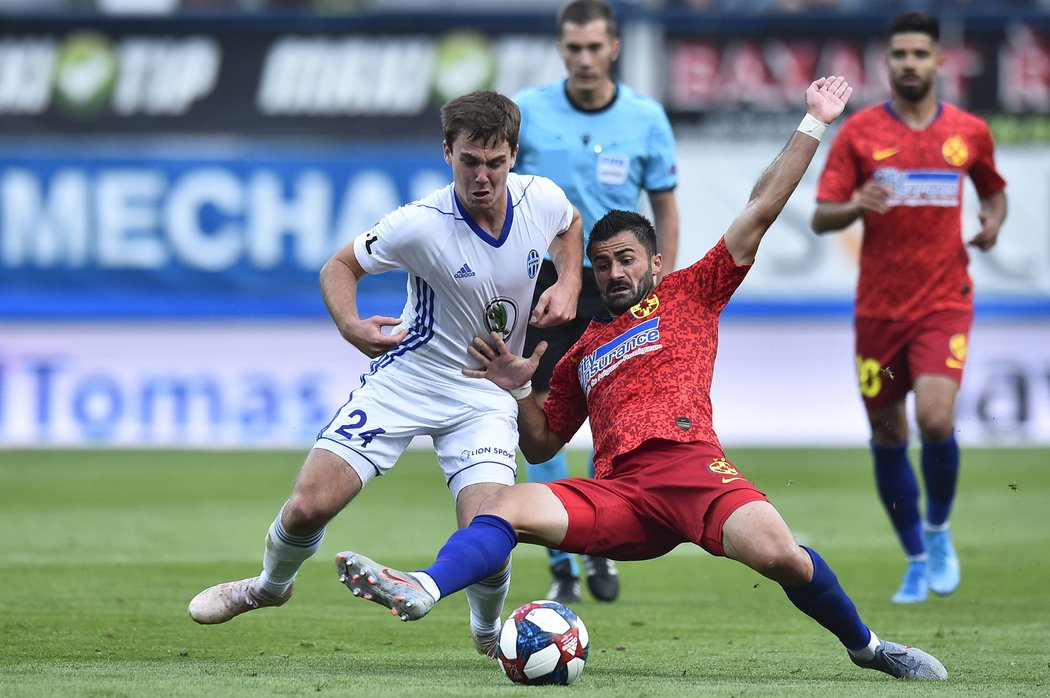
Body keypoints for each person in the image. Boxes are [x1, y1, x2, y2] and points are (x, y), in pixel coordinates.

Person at [333, 77, 947, 681]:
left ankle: (868, 648)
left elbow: (761, 209)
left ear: (655, 262)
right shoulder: (583, 350)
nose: (613, 273)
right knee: (498, 507)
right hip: (620, 494)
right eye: (600, 265)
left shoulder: (692, 292)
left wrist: (813, 122)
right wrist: (517, 388)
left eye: (626, 259)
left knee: (782, 555)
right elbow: (543, 444)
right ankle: (422, 586)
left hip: (693, 474)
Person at [188, 90, 584, 659]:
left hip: (484, 391)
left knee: (489, 535)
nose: (482, 177)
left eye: (495, 163)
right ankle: (268, 588)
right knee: (307, 507)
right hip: (409, 379)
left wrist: (568, 280)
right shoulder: (418, 225)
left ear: (513, 157)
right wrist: (351, 325)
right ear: (447, 152)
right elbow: (339, 265)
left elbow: (569, 224)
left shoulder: (541, 198)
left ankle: (486, 633)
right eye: (469, 161)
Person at [811, 11, 1007, 604]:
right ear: (888, 63)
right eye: (900, 54)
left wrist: (992, 225)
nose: (910, 63)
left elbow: (994, 191)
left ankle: (940, 533)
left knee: (937, 419)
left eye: (921, 53)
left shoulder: (968, 130)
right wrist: (856, 206)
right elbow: (823, 215)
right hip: (878, 311)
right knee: (888, 434)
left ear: (940, 61)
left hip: (945, 302)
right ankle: (916, 558)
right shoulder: (860, 134)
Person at [513, 0, 681, 605]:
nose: (584, 59)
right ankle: (563, 557)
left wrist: (663, 284)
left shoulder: (645, 117)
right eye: (573, 48)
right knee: (542, 416)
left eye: (594, 47)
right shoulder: (528, 112)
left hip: (618, 285)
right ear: (562, 49)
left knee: (617, 418)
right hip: (548, 284)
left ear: (615, 48)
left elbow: (664, 208)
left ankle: (599, 543)